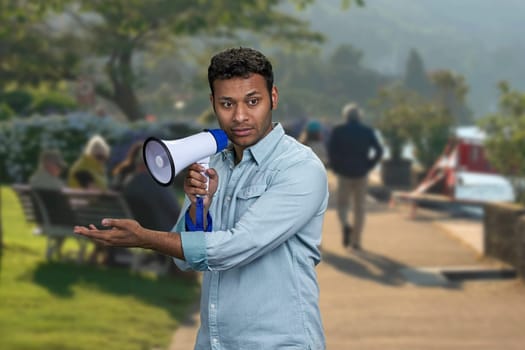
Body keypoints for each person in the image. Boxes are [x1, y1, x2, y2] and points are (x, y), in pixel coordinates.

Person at [74, 47, 329, 349]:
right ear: (213, 104)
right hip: (213, 342)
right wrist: (200, 210)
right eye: (226, 104)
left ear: (273, 97)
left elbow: (235, 247)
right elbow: (186, 262)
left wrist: (144, 237)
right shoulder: (215, 162)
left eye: (253, 101)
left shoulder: (300, 167)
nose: (240, 116)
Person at [327, 103, 383, 250]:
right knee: (360, 208)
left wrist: (336, 167)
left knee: (343, 205)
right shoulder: (367, 131)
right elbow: (379, 150)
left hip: (344, 173)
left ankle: (345, 224)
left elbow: (331, 152)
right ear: (359, 116)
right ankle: (356, 241)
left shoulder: (338, 131)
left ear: (345, 116)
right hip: (361, 173)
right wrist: (369, 164)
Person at [68, 134, 111, 264]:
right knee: (110, 223)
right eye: (99, 157)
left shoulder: (93, 168)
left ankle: (99, 255)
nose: (102, 160)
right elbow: (93, 191)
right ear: (91, 154)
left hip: (87, 210)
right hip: (84, 212)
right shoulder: (84, 169)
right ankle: (103, 256)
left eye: (104, 157)